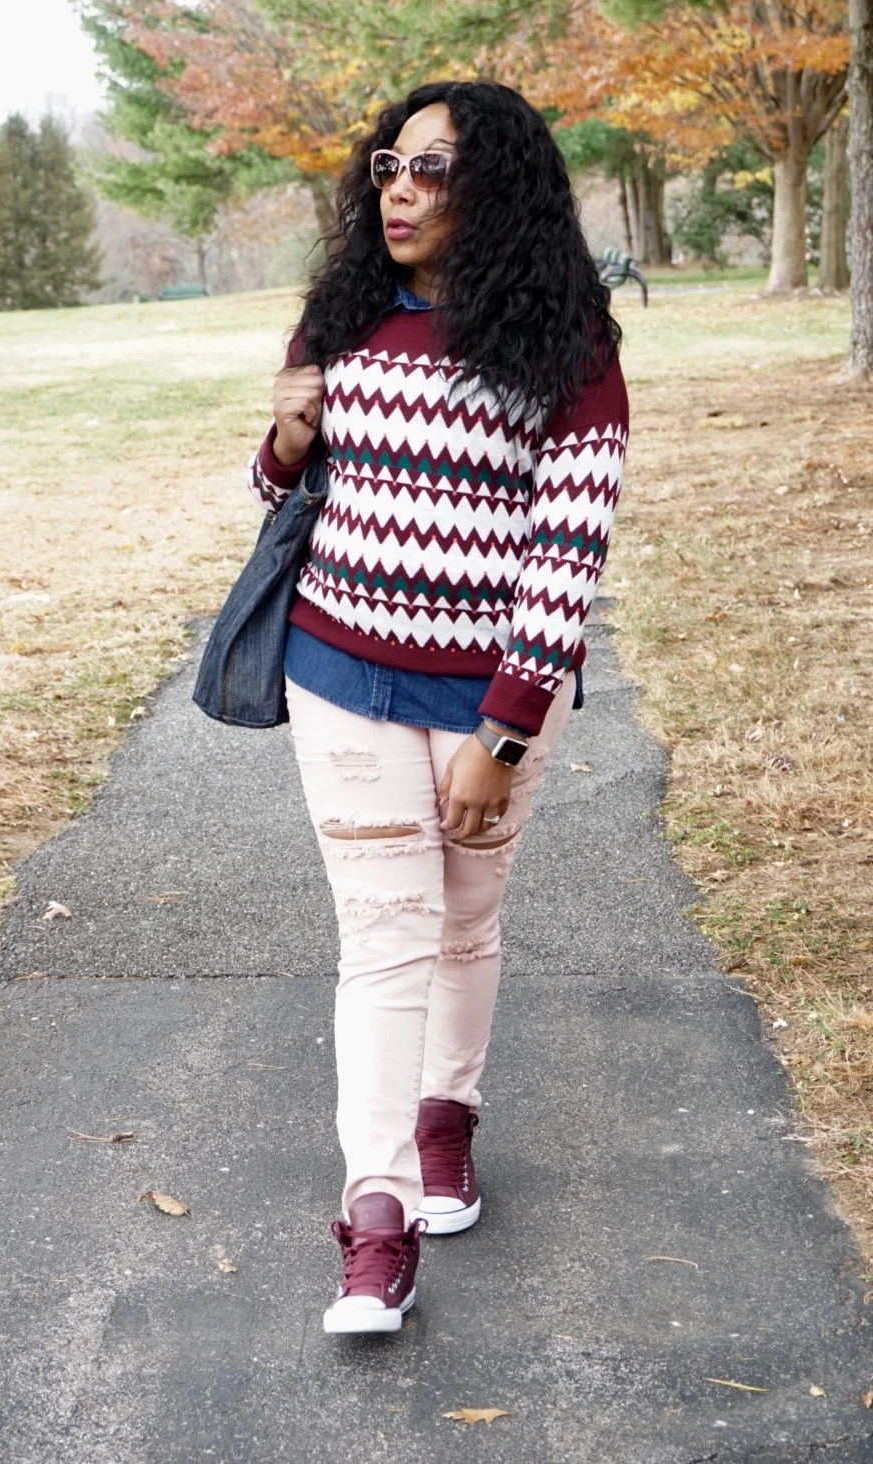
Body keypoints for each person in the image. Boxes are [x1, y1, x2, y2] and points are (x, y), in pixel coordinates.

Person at [246, 80, 628, 1334]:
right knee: (387, 934)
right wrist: (286, 444)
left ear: (500, 191)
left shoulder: (569, 344)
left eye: (433, 170)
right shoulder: (346, 311)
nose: (397, 188)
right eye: (388, 165)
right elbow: (283, 486)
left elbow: (568, 551)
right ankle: (376, 1215)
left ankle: (445, 1117)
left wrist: (503, 734)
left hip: (491, 694)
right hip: (339, 668)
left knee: (466, 919)